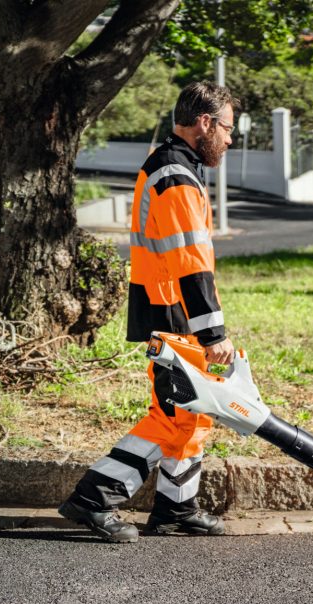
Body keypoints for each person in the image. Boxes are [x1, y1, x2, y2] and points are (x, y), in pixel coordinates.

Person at [59, 82, 238, 543]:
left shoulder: (176, 167)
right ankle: (94, 497)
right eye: (228, 128)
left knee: (191, 412)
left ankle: (177, 509)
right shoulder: (175, 174)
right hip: (173, 310)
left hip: (170, 307)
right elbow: (189, 260)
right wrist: (213, 332)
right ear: (205, 123)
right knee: (174, 416)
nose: (230, 139)